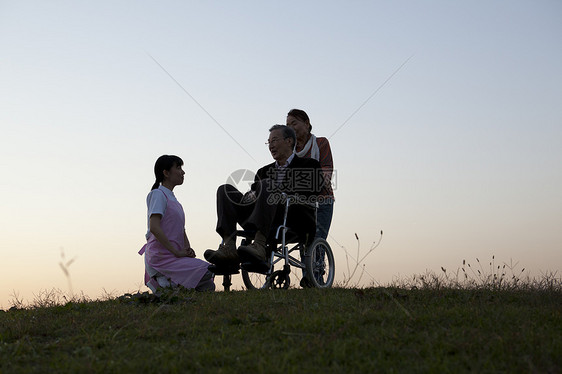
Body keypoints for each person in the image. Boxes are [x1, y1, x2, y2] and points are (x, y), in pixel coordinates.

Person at [204, 125, 324, 268]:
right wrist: (251, 195)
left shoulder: (309, 165)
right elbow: (256, 191)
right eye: (269, 142)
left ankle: (260, 244)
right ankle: (229, 246)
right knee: (225, 190)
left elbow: (314, 191)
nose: (271, 146)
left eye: (274, 140)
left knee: (267, 184)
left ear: (289, 141)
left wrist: (281, 193)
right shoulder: (263, 171)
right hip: (261, 215)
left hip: (293, 216)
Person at [139, 155, 215, 292]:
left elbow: (181, 230)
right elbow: (154, 227)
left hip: (175, 256)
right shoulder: (157, 194)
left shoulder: (173, 200)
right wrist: (176, 252)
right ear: (166, 173)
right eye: (178, 168)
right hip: (161, 258)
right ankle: (163, 282)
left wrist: (187, 249)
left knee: (209, 285)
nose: (183, 172)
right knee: (208, 271)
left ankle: (175, 289)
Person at [286, 109, 335, 240]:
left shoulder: (321, 144)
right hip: (297, 204)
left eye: (294, 123)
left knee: (315, 244)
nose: (290, 128)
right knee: (303, 243)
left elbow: (326, 173)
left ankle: (318, 261)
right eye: (288, 126)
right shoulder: (289, 151)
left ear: (307, 123)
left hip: (322, 201)